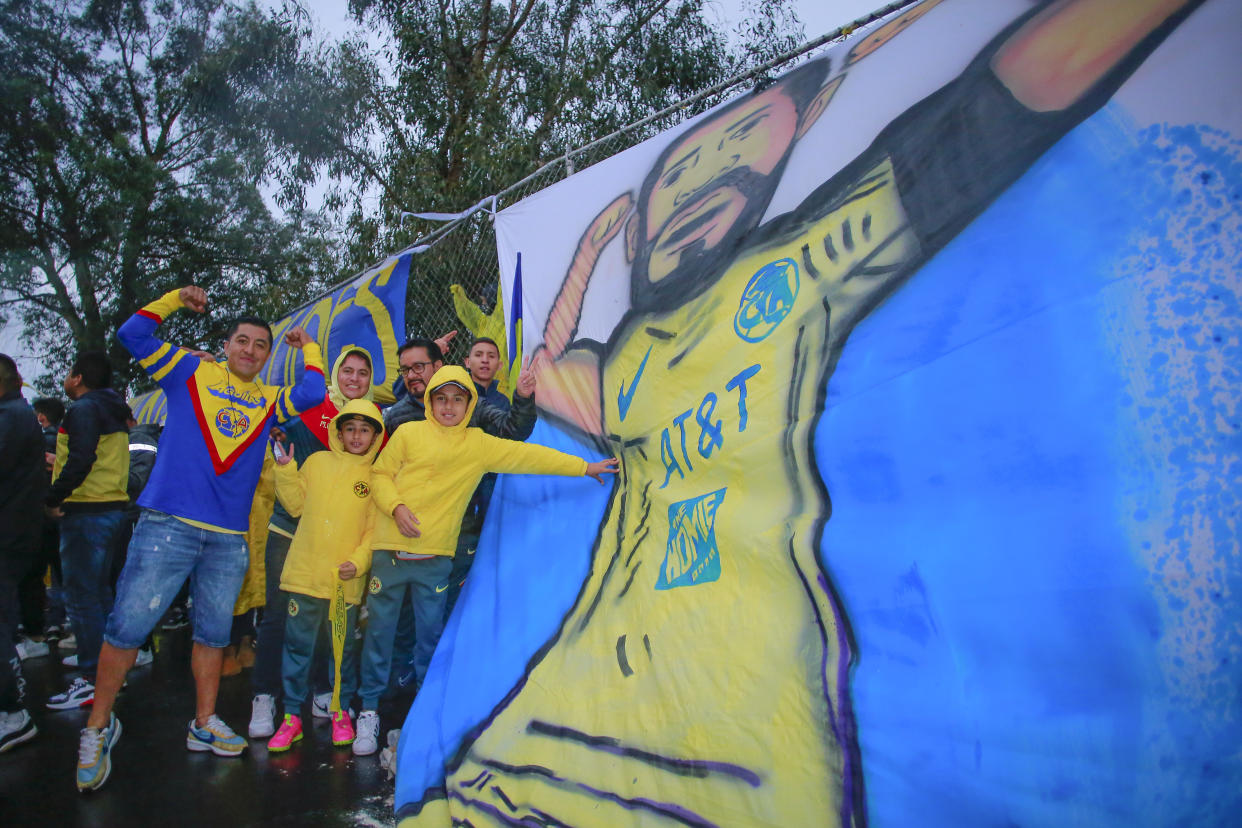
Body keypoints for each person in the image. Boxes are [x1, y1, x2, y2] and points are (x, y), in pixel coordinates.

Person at [426, 1, 1209, 824]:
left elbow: (988, 113)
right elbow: (542, 372)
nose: (711, 173)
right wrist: (588, 248)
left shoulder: (788, 273)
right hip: (543, 729)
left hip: (728, 747)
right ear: (638, 229)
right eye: (680, 173)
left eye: (741, 160)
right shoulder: (628, 363)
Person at [74, 285, 325, 792]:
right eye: (242, 341)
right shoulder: (189, 371)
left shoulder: (270, 401)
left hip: (228, 539)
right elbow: (132, 333)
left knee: (213, 633)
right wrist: (173, 300)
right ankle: (97, 727)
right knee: (126, 629)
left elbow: (315, 393)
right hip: (168, 525)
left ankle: (204, 721)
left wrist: (310, 348)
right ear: (226, 344)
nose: (250, 350)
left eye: (261, 345)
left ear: (268, 355)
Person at [354, 365, 618, 757]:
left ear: (469, 403)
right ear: (430, 401)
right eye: (441, 398)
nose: (448, 407)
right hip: (389, 551)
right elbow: (379, 475)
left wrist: (585, 467)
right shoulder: (408, 433)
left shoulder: (478, 444)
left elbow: (529, 456)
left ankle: (425, 719)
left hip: (436, 559)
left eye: (457, 399)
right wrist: (397, 508)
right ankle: (369, 711)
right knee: (379, 635)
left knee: (430, 639)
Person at [249, 346, 380, 738]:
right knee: (279, 619)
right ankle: (267, 696)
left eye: (362, 373)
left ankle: (327, 693)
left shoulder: (373, 444)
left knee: (331, 625)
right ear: (335, 373)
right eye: (348, 371)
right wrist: (285, 467)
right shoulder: (306, 413)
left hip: (338, 549)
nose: (354, 379)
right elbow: (290, 485)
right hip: (292, 535)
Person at [44, 352, 131, 712]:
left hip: (86, 511)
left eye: (68, 372)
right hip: (112, 507)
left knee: (82, 598)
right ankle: (110, 672)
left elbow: (80, 459)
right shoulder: (114, 408)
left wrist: (52, 496)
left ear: (77, 378)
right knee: (100, 594)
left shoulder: (82, 410)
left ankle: (93, 677)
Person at [0, 354, 45, 753]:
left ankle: (12, 711)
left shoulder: (11, 417)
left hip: (9, 531)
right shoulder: (20, 414)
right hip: (19, 528)